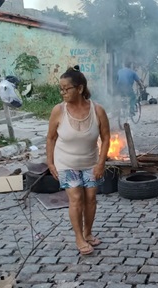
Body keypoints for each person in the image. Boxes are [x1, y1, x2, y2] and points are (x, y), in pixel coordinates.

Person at [47, 65, 111, 255]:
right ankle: (79, 238)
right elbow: (51, 138)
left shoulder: (97, 110)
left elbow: (106, 137)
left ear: (80, 88)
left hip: (91, 162)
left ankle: (88, 233)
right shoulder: (58, 111)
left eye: (67, 89)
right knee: (76, 199)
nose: (63, 92)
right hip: (66, 162)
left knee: (90, 198)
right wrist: (50, 163)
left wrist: (101, 163)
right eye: (61, 89)